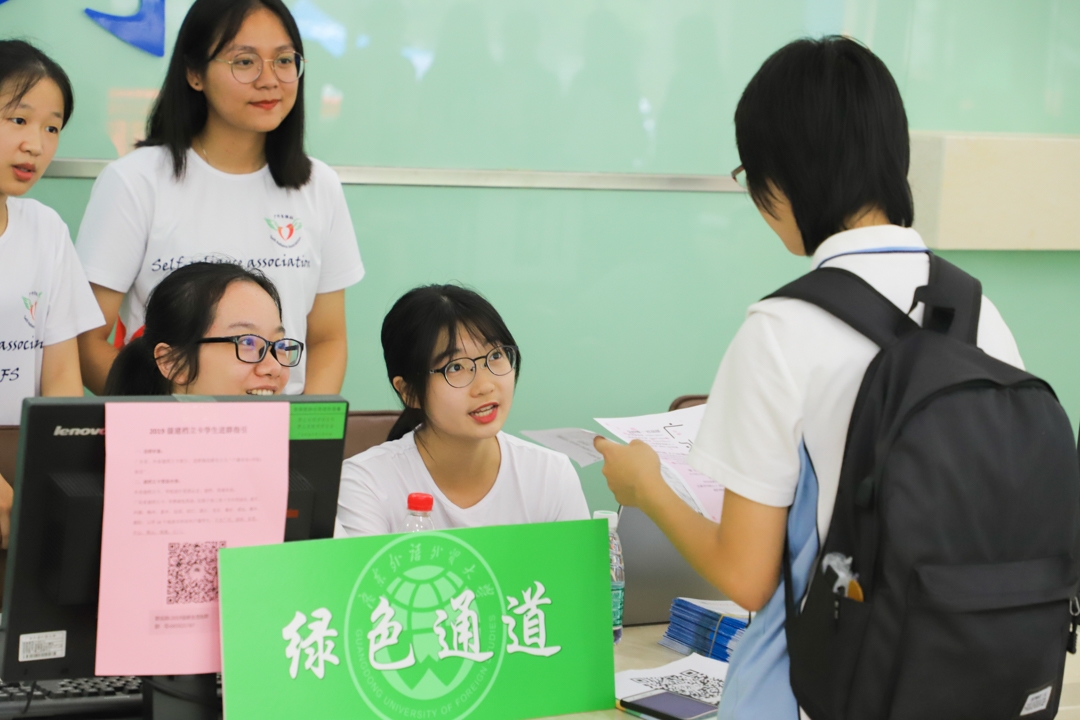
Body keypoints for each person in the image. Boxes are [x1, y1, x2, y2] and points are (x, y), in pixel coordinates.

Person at [593, 37, 1024, 718]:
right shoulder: (980, 313)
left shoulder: (782, 328)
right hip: (971, 680)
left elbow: (748, 574)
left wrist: (645, 487)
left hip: (813, 692)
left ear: (784, 177)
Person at [76, 0, 363, 397]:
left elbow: (327, 339)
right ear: (194, 73)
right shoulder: (135, 181)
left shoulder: (318, 185)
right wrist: (164, 414)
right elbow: (86, 341)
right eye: (244, 62)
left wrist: (304, 431)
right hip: (169, 433)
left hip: (280, 433)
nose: (269, 79)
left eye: (284, 60)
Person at [335, 284, 590, 536]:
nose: (485, 385)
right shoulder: (366, 483)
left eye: (495, 356)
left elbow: (578, 577)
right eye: (455, 367)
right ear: (409, 392)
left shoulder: (550, 475)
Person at [0, 40, 105, 547]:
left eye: (52, 127)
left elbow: (62, 377)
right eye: (17, 120)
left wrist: (61, 489)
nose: (36, 145)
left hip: (28, 466)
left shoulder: (45, 228)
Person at [105, 261, 300, 397]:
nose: (274, 368)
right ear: (172, 362)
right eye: (247, 342)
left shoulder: (296, 455)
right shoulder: (133, 454)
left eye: (279, 346)